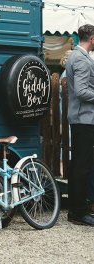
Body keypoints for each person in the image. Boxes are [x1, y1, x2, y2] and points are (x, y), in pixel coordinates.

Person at [65, 24, 94, 226]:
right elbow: (82, 91)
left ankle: (77, 209)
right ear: (92, 39)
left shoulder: (77, 56)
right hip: (84, 118)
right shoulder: (82, 60)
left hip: (80, 118)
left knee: (79, 165)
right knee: (82, 166)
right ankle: (77, 212)